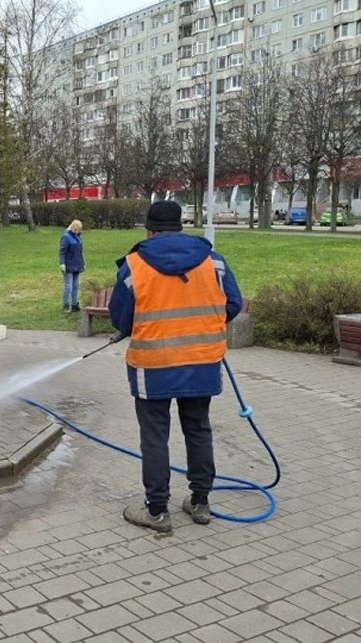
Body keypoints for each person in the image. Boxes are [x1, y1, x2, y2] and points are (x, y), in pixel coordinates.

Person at [109, 200, 243, 533]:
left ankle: (157, 512)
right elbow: (233, 304)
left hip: (152, 365)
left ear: (149, 230)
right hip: (202, 361)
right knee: (198, 430)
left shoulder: (135, 265)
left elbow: (121, 318)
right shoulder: (213, 261)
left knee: (155, 436)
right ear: (180, 226)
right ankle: (200, 502)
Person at [59, 219, 85, 313]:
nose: (77, 231)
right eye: (76, 229)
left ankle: (74, 304)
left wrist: (83, 263)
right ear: (73, 227)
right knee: (68, 286)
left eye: (79, 230)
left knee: (76, 285)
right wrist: (62, 264)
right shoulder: (66, 237)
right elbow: (62, 252)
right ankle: (66, 305)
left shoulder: (79, 237)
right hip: (68, 265)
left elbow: (80, 252)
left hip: (77, 265)